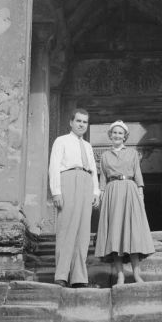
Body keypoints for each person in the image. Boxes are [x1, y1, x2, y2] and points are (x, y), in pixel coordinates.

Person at [94, 120, 155, 285]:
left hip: (130, 190)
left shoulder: (133, 153)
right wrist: (100, 194)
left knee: (132, 233)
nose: (117, 135)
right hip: (112, 192)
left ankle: (136, 275)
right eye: (114, 132)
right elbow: (102, 178)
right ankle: (120, 275)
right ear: (110, 135)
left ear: (125, 136)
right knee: (115, 234)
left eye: (120, 133)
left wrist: (140, 192)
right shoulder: (105, 156)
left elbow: (137, 173)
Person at [48, 108, 100, 288]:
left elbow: (93, 169)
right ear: (71, 122)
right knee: (66, 229)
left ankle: (79, 277)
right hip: (68, 179)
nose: (81, 125)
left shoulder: (88, 146)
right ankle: (61, 275)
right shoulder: (61, 141)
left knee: (83, 232)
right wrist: (56, 191)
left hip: (86, 181)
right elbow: (54, 166)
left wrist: (96, 192)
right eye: (78, 121)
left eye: (85, 122)